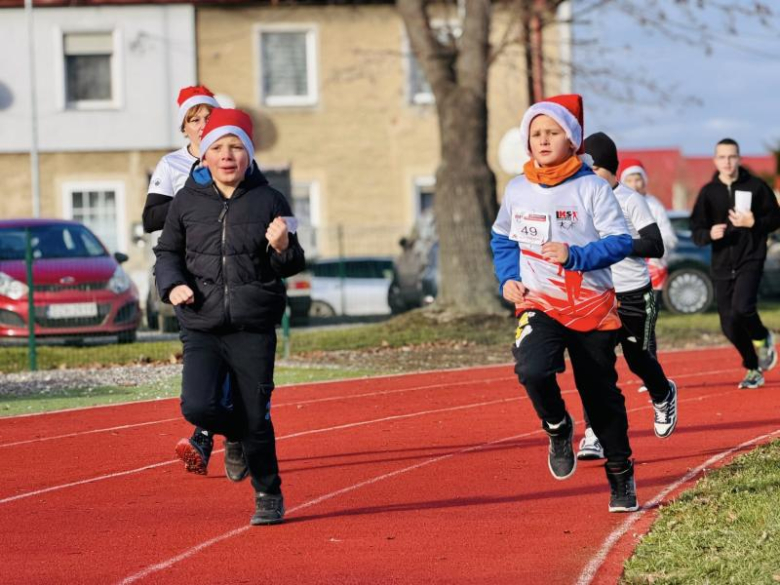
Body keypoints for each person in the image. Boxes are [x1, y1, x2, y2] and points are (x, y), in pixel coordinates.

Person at [155, 108, 306, 525]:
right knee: (198, 406)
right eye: (218, 147)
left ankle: (268, 494)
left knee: (257, 415)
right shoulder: (186, 200)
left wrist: (281, 247)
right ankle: (232, 433)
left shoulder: (271, 199)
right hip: (201, 322)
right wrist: (172, 285)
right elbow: (166, 252)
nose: (227, 155)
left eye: (236, 147)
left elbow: (292, 264)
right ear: (203, 156)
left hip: (252, 325)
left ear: (249, 155)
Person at [491, 94, 639, 512]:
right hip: (539, 302)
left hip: (591, 305)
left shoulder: (591, 186)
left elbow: (620, 242)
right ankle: (557, 427)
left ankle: (620, 474)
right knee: (531, 369)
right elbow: (503, 238)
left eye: (552, 132)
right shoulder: (517, 188)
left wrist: (576, 256)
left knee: (600, 396)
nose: (542, 140)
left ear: (572, 140)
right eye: (535, 133)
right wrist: (509, 279)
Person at [142, 85, 228, 475]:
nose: (202, 125)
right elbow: (150, 218)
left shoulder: (234, 158)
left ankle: (210, 433)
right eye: (194, 119)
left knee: (231, 354)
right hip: (189, 273)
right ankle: (210, 431)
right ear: (185, 127)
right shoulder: (172, 166)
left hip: (229, 271)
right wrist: (191, 194)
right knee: (204, 352)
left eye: (208, 117)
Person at [576, 133, 678, 461]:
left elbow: (654, 245)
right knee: (596, 366)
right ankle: (594, 432)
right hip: (597, 294)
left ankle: (663, 393)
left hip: (633, 293)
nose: (591, 179)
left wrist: (620, 245)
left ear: (611, 170)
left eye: (596, 171)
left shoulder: (631, 199)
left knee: (637, 358)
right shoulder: (582, 199)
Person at [690, 138, 780, 389]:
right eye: (722, 157)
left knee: (742, 308)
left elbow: (775, 218)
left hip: (751, 257)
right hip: (721, 262)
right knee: (728, 324)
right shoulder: (709, 192)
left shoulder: (756, 186)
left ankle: (763, 337)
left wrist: (755, 223)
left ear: (739, 158)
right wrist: (709, 234)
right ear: (715, 160)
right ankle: (753, 367)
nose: (727, 162)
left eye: (732, 156)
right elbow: (695, 229)